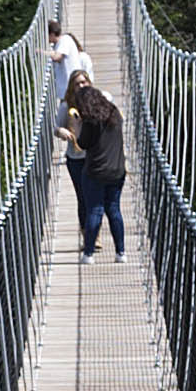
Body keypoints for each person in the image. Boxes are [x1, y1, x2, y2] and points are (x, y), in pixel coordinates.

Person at [63, 75, 128, 260]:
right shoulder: (115, 113)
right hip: (117, 170)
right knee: (114, 209)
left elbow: (82, 144)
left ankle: (89, 253)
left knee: (95, 210)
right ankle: (120, 252)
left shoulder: (91, 120)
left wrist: (77, 125)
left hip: (96, 172)